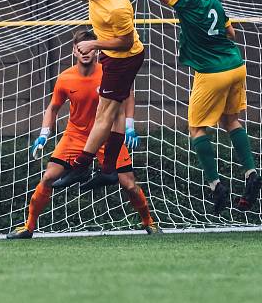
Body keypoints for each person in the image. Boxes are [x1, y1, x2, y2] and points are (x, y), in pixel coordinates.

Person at [138, 0, 259, 213]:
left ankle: (215, 185)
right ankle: (251, 173)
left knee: (196, 128)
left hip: (212, 73)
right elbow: (231, 33)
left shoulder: (187, 0)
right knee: (231, 121)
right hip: (236, 65)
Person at [8, 30, 160, 239]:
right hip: (75, 136)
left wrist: (129, 126)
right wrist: (44, 135)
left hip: (107, 137)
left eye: (89, 48)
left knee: (129, 184)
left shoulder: (108, 72)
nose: (85, 52)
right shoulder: (65, 78)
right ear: (74, 51)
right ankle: (28, 227)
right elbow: (53, 107)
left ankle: (149, 223)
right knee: (48, 177)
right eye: (80, 48)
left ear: (96, 50)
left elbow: (127, 95)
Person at [53, 0, 145, 191]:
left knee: (103, 115)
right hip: (113, 57)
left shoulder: (117, 9)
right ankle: (109, 171)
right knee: (113, 113)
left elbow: (126, 43)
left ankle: (82, 167)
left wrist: (93, 43)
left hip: (123, 59)